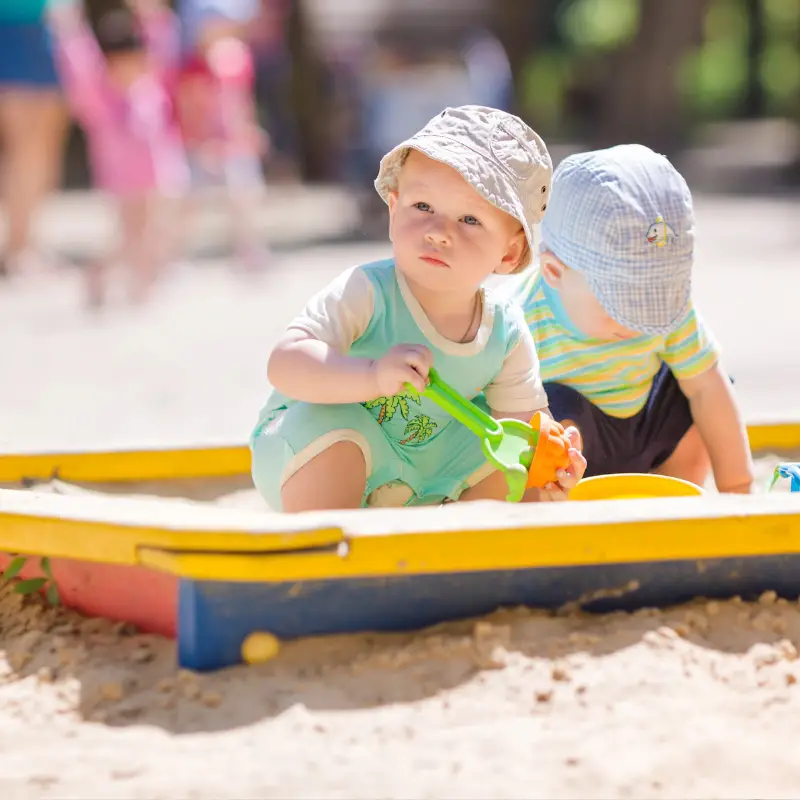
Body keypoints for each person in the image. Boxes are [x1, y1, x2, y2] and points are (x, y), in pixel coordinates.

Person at [250, 105, 587, 512]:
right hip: (306, 452)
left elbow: (522, 428)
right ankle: (332, 555)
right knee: (337, 427)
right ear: (393, 211)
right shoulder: (368, 291)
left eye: (469, 219)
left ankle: (467, 554)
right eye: (423, 207)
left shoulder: (505, 332)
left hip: (424, 473)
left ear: (510, 251)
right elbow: (284, 364)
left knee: (517, 461)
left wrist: (553, 459)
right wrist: (371, 376)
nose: (440, 233)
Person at [512, 144, 755, 493]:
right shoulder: (520, 320)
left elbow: (707, 387)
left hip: (647, 437)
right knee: (544, 415)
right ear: (554, 272)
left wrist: (739, 488)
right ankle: (558, 507)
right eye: (622, 303)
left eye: (654, 297)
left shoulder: (671, 313)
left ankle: (674, 494)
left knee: (701, 394)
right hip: (577, 466)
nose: (641, 320)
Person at [47, 0, 188, 307]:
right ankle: (112, 277)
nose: (132, 69)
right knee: (130, 233)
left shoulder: (151, 86)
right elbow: (78, 64)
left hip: (157, 175)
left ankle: (136, 283)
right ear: (109, 63)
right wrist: (69, 25)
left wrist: (151, 14)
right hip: (122, 180)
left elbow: (164, 46)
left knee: (152, 230)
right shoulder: (98, 97)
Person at [173, 0, 269, 271]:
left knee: (245, 194)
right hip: (201, 144)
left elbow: (242, 101)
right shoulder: (192, 66)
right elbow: (189, 109)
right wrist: (201, 141)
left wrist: (249, 129)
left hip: (234, 142)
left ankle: (249, 250)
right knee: (190, 200)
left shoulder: (238, 58)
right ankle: (176, 254)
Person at [0, 0, 69, 279]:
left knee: (43, 150)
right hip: (12, 31)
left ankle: (28, 243)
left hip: (51, 33)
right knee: (23, 149)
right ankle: (17, 248)